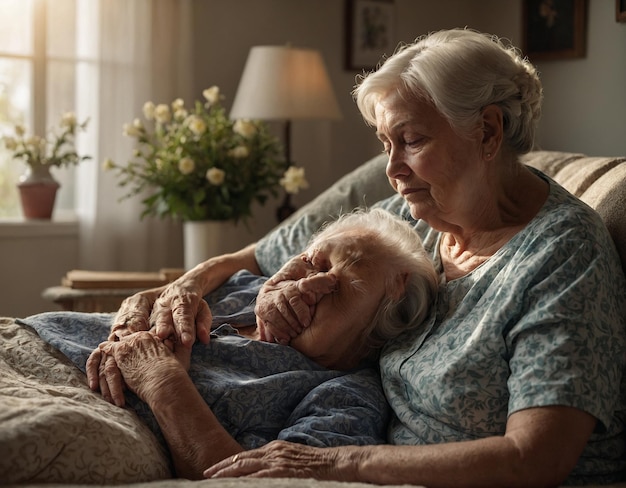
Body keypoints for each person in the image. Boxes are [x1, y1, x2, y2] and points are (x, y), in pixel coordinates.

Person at [89, 28, 626, 487]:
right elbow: (253, 255)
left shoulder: (563, 254)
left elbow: (537, 458)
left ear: (487, 131)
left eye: (412, 140)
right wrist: (179, 289)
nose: (392, 168)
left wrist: (329, 463)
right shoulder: (419, 211)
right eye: (385, 142)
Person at [83, 208, 438, 479]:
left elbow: (248, 482)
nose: (307, 287)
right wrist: (129, 322)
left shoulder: (347, 401)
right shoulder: (245, 287)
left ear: (375, 333)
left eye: (341, 289)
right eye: (312, 263)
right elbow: (147, 305)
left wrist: (161, 380)